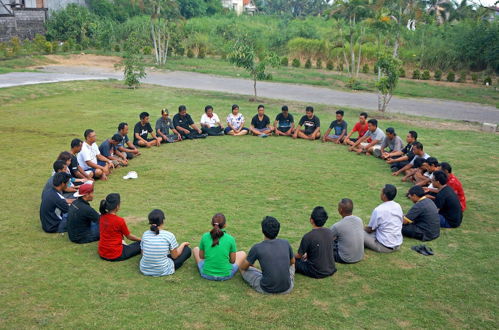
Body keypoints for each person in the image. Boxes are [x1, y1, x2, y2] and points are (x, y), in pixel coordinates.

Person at [239, 216, 295, 294]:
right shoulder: (286, 243)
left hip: (266, 288)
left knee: (243, 270)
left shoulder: (257, 247)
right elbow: (292, 262)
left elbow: (243, 267)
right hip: (288, 287)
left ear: (262, 230)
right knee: (292, 266)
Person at [192, 213, 246, 281]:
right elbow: (232, 261)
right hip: (225, 275)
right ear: (225, 225)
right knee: (242, 253)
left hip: (206, 274)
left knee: (195, 249)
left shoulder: (205, 236)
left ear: (212, 223)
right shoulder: (230, 239)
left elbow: (202, 257)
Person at [140, 209, 192, 276]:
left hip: (144, 269)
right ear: (163, 220)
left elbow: (143, 253)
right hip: (163, 270)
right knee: (187, 250)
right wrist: (183, 245)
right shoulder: (169, 235)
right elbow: (175, 256)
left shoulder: (145, 234)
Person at [295, 206, 336, 278]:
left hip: (316, 271)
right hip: (331, 268)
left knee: (294, 262)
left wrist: (290, 257)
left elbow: (299, 256)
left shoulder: (308, 236)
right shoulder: (330, 232)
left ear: (311, 220)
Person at [98, 193, 141, 261]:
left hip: (102, 252)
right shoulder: (119, 220)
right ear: (117, 206)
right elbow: (129, 236)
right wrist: (141, 240)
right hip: (115, 254)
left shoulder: (101, 217)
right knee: (140, 244)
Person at [364, 184, 403, 253]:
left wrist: (362, 228)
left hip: (384, 246)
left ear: (384, 195)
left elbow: (370, 229)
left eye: (381, 192)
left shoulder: (379, 210)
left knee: (358, 232)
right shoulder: (398, 206)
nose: (380, 193)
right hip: (397, 243)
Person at [329, 198, 364, 264]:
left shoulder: (337, 226)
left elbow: (326, 239)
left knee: (326, 247)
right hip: (359, 256)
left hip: (345, 258)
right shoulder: (359, 220)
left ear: (340, 210)